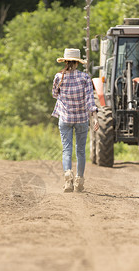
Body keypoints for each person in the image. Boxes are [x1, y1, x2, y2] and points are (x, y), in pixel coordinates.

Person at [52, 48, 99, 193]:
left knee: (67, 150)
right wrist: (95, 118)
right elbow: (90, 100)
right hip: (81, 119)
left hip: (65, 118)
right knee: (80, 151)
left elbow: (54, 94)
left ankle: (68, 178)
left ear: (65, 61)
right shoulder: (85, 78)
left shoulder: (59, 77)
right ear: (78, 63)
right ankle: (79, 181)